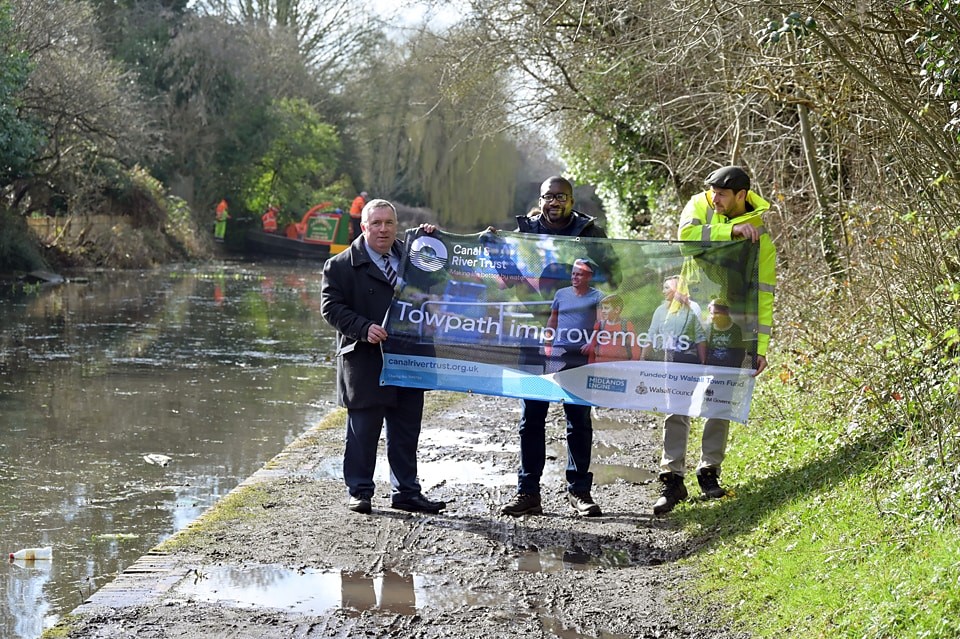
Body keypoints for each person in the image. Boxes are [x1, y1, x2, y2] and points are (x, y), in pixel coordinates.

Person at [652, 165, 776, 515]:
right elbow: (686, 237)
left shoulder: (762, 240)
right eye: (712, 192)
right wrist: (731, 229)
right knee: (677, 398)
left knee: (718, 400)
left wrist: (759, 348)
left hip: (729, 328)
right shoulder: (700, 206)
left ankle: (709, 472)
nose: (714, 198)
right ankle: (671, 479)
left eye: (722, 194)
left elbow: (763, 295)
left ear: (741, 195)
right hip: (687, 321)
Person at [320, 198, 445, 515]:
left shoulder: (415, 256)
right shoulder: (340, 265)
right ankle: (360, 491)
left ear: (396, 226)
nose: (383, 229)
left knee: (405, 431)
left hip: (410, 357)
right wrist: (363, 328)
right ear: (364, 227)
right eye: (376, 223)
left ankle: (407, 492)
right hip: (366, 359)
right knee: (363, 432)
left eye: (389, 223)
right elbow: (330, 308)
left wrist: (434, 239)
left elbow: (441, 275)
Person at [500, 176, 609, 518]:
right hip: (534, 337)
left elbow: (612, 275)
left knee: (578, 416)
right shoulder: (524, 235)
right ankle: (528, 491)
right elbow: (508, 281)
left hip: (576, 340)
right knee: (531, 417)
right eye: (548, 196)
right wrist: (493, 249)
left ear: (572, 200)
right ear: (541, 199)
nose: (554, 202)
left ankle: (580, 492)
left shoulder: (591, 234)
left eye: (561, 196)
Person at [544, 258, 604, 373]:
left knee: (579, 385)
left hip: (583, 349)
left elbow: (601, 323)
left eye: (579, 274)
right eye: (573, 274)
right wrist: (547, 343)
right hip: (560, 347)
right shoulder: (560, 294)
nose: (574, 277)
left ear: (589, 277)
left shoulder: (598, 296)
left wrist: (592, 343)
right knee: (554, 383)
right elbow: (553, 320)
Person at [640, 275, 706, 366]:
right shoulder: (660, 310)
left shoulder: (693, 308)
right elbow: (651, 335)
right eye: (663, 288)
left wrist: (704, 363)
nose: (663, 291)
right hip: (664, 358)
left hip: (686, 360)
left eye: (667, 288)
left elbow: (700, 337)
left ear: (677, 289)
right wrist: (642, 359)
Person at [586, 293, 638, 364]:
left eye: (606, 308)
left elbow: (635, 348)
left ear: (616, 310)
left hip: (621, 367)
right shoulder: (599, 325)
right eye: (602, 308)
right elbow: (592, 348)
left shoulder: (626, 325)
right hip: (600, 366)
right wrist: (590, 365)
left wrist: (633, 365)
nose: (603, 311)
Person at [705, 298, 746, 367]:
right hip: (712, 368)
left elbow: (740, 353)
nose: (713, 316)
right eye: (711, 313)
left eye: (717, 313)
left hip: (729, 369)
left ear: (726, 312)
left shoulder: (735, 329)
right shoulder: (709, 328)